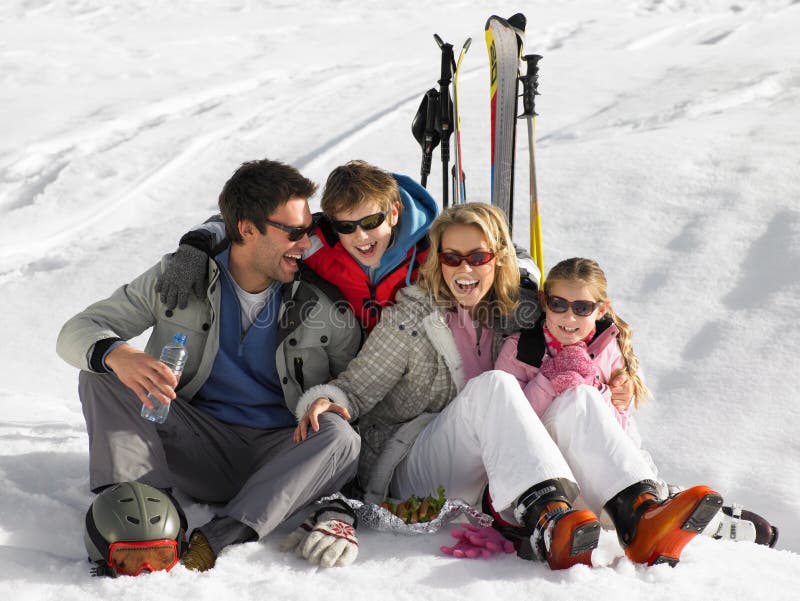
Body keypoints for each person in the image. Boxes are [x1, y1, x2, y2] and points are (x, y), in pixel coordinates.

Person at [292, 203, 723, 570]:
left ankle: (641, 513)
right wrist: (326, 401)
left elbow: (588, 329)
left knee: (577, 394)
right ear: (437, 261)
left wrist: (623, 381)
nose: (464, 269)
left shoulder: (524, 312)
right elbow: (356, 387)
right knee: (496, 385)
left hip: (498, 472)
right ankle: (548, 519)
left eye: (476, 257)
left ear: (498, 258)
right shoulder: (412, 319)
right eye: (451, 257)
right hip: (418, 467)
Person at [56, 159, 363, 573]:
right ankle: (146, 517)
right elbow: (79, 329)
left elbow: (359, 389)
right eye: (293, 233)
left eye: (308, 232)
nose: (305, 244)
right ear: (247, 229)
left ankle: (223, 534)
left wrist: (338, 497)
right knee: (102, 374)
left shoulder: (323, 303)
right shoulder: (181, 276)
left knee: (339, 434)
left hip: (282, 456)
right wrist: (120, 354)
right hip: (195, 441)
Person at [495, 257, 779, 548]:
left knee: (585, 397)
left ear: (600, 309)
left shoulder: (607, 350)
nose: (569, 317)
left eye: (582, 308)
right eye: (559, 304)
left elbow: (616, 432)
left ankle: (658, 509)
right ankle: (663, 511)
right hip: (546, 477)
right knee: (578, 397)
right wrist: (549, 380)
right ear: (544, 302)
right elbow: (509, 424)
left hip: (597, 476)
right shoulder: (521, 349)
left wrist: (599, 390)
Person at [159, 160, 439, 333]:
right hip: (346, 362)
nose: (361, 237)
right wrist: (194, 250)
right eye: (346, 226)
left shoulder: (432, 248)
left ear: (394, 213)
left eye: (371, 222)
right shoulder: (317, 241)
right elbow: (244, 224)